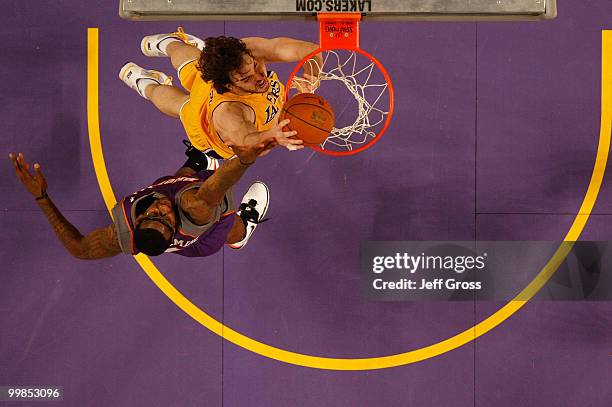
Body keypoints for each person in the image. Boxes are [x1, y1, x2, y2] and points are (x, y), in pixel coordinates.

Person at [8, 138, 278, 259]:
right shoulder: (195, 208)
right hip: (207, 233)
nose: (161, 209)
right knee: (221, 217)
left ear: (139, 223)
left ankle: (197, 160)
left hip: (179, 194)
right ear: (173, 229)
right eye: (166, 218)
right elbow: (219, 184)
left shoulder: (124, 233)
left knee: (169, 184)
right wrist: (244, 157)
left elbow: (80, 249)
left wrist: (42, 198)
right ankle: (243, 229)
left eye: (153, 215)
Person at [119, 28, 322, 158]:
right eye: (245, 78)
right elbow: (246, 141)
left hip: (216, 76)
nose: (260, 77)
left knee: (191, 58)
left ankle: (168, 42)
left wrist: (311, 77)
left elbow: (310, 50)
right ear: (230, 85)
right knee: (181, 106)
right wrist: (273, 135)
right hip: (206, 128)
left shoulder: (246, 52)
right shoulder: (229, 111)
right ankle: (147, 84)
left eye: (255, 66)